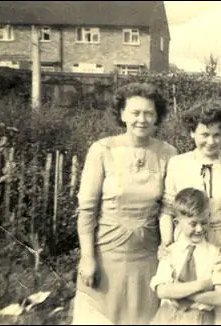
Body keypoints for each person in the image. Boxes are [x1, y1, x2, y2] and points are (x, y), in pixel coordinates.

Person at [71, 82, 178, 325]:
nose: (142, 119)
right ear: (122, 114)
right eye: (135, 112)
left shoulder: (168, 153)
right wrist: (88, 258)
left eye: (149, 113)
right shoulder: (102, 150)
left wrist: (168, 247)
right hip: (106, 257)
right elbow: (87, 210)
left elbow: (168, 208)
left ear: (157, 116)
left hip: (148, 258)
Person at [159, 100, 221, 324]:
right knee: (180, 303)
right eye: (204, 134)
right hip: (185, 241)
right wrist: (167, 244)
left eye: (217, 135)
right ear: (192, 133)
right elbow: (167, 210)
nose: (211, 141)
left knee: (218, 304)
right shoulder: (178, 163)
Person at [150, 188, 221, 325]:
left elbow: (219, 297)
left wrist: (178, 293)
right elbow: (162, 291)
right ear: (177, 223)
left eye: (204, 222)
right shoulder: (170, 252)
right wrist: (203, 284)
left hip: (201, 319)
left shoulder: (215, 253)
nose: (199, 229)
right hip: (169, 317)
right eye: (193, 224)